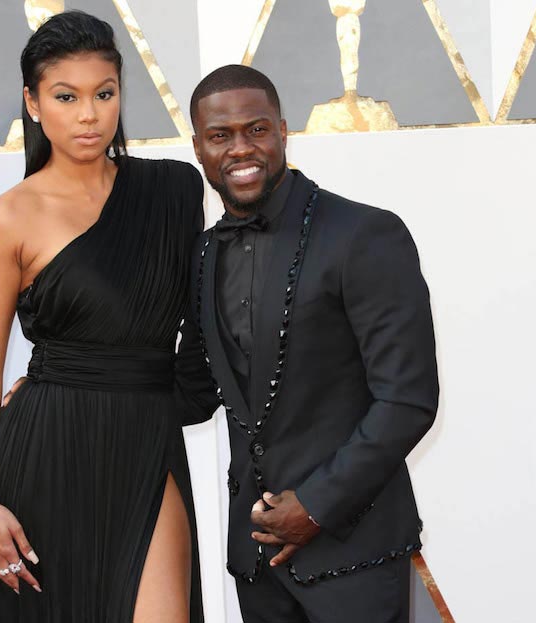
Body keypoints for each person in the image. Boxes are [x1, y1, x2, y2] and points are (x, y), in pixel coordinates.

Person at [0, 11, 215, 622]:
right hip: (46, 456)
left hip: (147, 444)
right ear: (32, 102)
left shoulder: (174, 192)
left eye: (104, 94)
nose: (88, 115)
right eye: (65, 97)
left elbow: (203, 327)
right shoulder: (6, 219)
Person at [187, 65, 439, 623]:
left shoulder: (364, 234)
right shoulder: (203, 255)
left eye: (256, 129)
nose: (240, 149)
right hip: (257, 563)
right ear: (199, 148)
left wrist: (317, 506)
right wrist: (63, 377)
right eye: (220, 136)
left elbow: (408, 399)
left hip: (357, 554)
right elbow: (192, 391)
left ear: (282, 131)